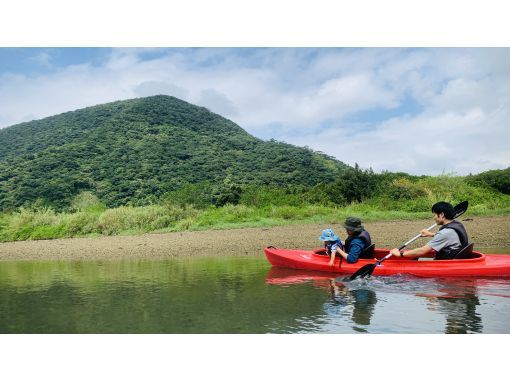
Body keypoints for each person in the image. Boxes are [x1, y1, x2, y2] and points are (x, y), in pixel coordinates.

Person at [390, 201, 469, 260]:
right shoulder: (457, 224)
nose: (434, 217)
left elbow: (422, 251)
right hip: (453, 258)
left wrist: (400, 254)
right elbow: (449, 237)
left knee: (413, 258)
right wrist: (430, 234)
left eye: (434, 214)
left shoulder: (445, 233)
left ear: (441, 215)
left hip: (444, 263)